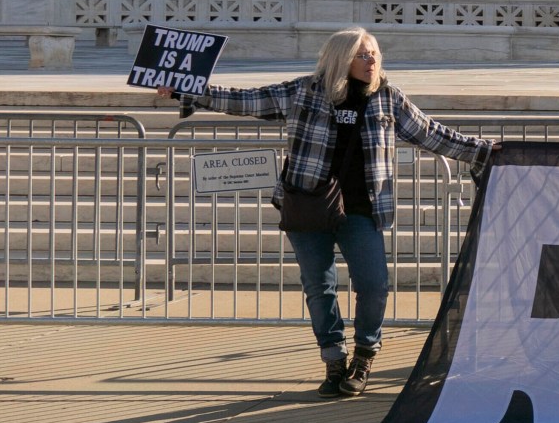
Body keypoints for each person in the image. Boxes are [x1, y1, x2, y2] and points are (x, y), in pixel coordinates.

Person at [162, 29, 494, 397]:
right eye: (362, 55)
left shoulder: (388, 98)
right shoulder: (306, 90)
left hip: (362, 209)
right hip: (308, 204)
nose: (372, 62)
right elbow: (247, 100)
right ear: (341, 59)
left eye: (374, 54)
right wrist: (186, 91)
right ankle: (334, 359)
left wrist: (488, 152)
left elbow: (433, 135)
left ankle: (365, 354)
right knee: (319, 287)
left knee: (374, 285)